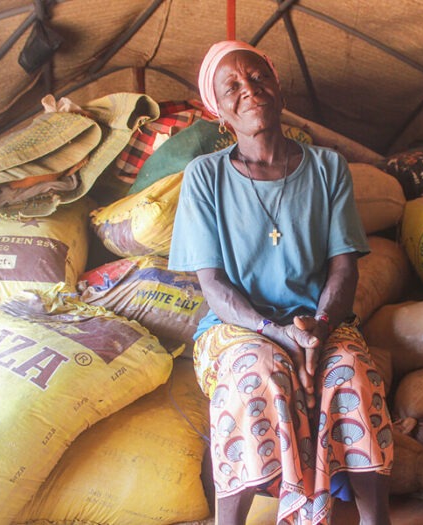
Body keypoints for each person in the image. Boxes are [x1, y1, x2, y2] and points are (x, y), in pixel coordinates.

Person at [168, 40, 393, 525]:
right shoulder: (204, 177)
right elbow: (212, 282)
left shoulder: (327, 167)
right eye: (232, 87)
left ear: (278, 87)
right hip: (236, 328)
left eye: (257, 77)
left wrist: (321, 326)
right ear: (219, 110)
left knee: (350, 373)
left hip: (318, 320)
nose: (249, 90)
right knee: (259, 375)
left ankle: (379, 521)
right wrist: (275, 334)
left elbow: (343, 267)